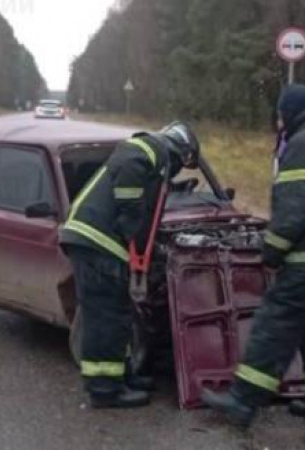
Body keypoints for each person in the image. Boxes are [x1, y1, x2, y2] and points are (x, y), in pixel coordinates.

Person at [201, 84, 305, 427]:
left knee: (275, 325)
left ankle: (242, 401)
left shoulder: (303, 145)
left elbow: (295, 208)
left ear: (289, 113)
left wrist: (271, 251)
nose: (278, 122)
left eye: (280, 115)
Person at [60, 122, 201, 408]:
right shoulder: (147, 149)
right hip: (96, 242)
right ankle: (104, 389)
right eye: (182, 164)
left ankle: (123, 376)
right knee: (105, 317)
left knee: (120, 314)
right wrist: (133, 227)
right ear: (179, 149)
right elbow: (130, 185)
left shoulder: (155, 159)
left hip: (102, 245)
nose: (177, 170)